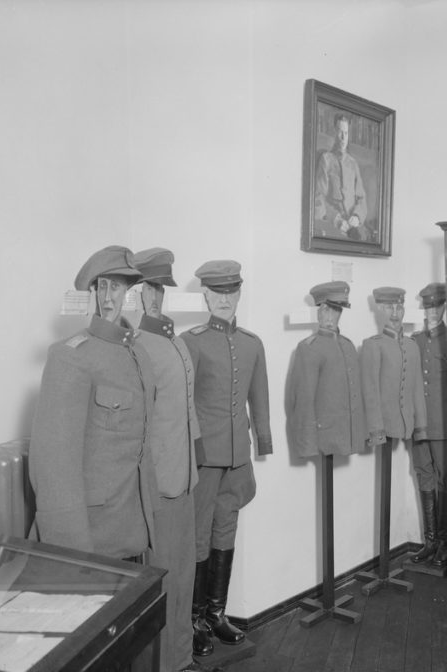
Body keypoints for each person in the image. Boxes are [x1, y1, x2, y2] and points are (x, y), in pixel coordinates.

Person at [29, 245, 157, 564]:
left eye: (117, 286)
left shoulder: (138, 353)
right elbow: (54, 466)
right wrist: (71, 550)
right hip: (91, 537)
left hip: (133, 526)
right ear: (92, 293)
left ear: (129, 292)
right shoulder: (71, 356)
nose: (109, 296)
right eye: (102, 286)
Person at [131, 248, 215, 672]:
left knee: (183, 576)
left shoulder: (175, 342)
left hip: (184, 480)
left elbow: (187, 410)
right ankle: (162, 665)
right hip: (157, 486)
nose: (156, 297)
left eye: (161, 288)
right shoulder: (138, 347)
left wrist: (197, 459)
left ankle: (181, 660)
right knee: (162, 580)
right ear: (138, 293)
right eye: (150, 288)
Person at [182, 260, 272, 651]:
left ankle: (216, 614)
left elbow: (260, 397)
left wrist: (263, 440)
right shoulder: (193, 341)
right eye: (215, 292)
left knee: (225, 530)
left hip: (237, 457)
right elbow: (184, 405)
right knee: (199, 537)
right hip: (204, 457)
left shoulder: (252, 343)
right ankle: (193, 622)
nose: (223, 299)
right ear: (204, 295)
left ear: (239, 293)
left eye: (230, 291)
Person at [409, 283, 447, 568]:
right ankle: (430, 540)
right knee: (424, 476)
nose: (432, 311)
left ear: (445, 306)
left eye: (437, 306)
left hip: (446, 427)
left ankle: (445, 543)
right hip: (420, 426)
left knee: (446, 481)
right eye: (428, 307)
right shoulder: (415, 340)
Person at [287, 281, 366, 458]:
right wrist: (308, 445)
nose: (330, 316)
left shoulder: (348, 345)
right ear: (319, 311)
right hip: (325, 436)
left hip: (346, 434)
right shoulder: (309, 348)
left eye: (336, 310)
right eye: (325, 310)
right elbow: (303, 402)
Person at [361, 287, 428, 451]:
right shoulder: (373, 345)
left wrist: (421, 427)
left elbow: (418, 390)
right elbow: (371, 393)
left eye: (399, 308)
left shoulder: (412, 346)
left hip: (407, 423)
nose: (395, 313)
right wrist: (376, 430)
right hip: (386, 423)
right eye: (389, 308)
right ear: (380, 310)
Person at [313, 113, 370, 242]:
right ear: (334, 133)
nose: (343, 138)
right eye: (340, 132)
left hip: (353, 226)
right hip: (333, 225)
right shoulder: (326, 159)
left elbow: (361, 198)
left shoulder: (353, 163)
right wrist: (336, 219)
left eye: (346, 133)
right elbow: (318, 197)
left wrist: (357, 216)